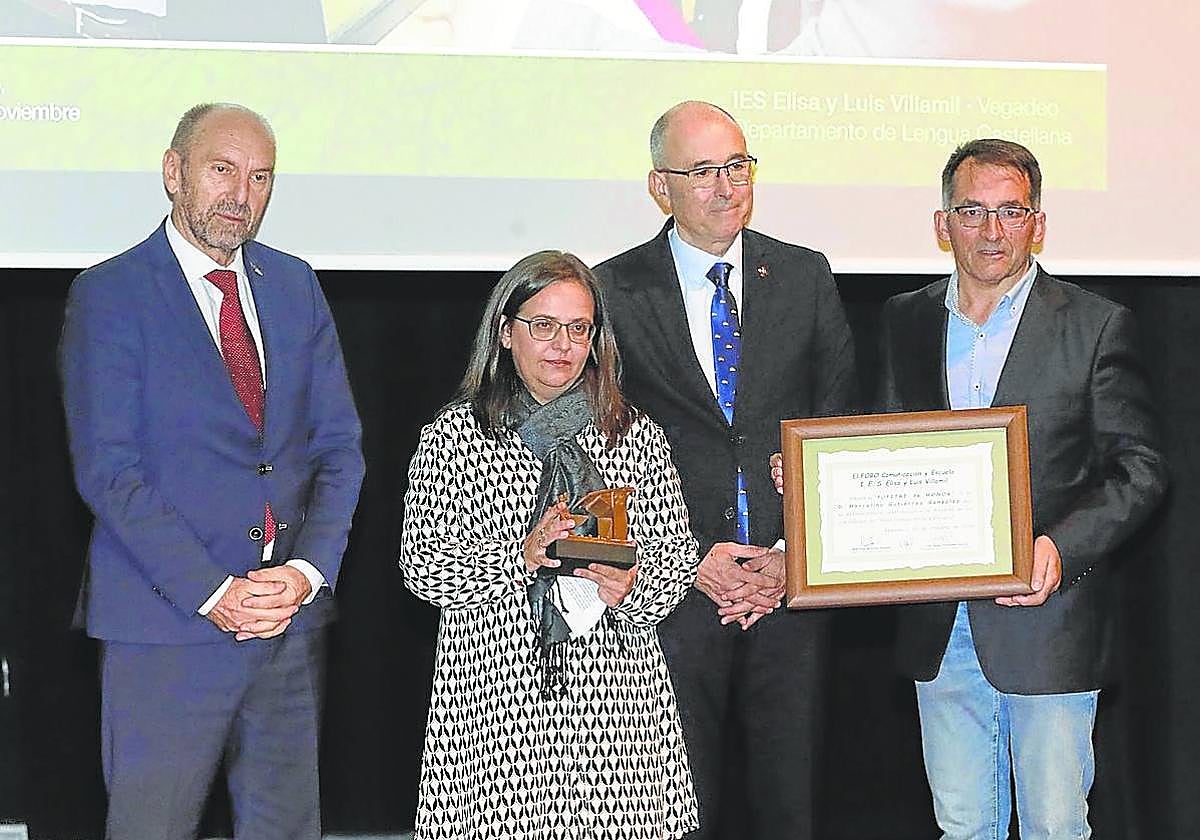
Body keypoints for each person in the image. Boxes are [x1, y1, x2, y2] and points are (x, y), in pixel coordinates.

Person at [773, 138, 1167, 838]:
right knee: (961, 826)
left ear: (1037, 224)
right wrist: (816, 482)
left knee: (1055, 826)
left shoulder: (1097, 324)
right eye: (973, 211)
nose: (991, 231)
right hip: (937, 622)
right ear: (941, 223)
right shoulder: (906, 319)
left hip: (1050, 624)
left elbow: (1140, 468)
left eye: (1011, 212)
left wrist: (1060, 547)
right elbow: (887, 445)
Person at [59, 102, 365, 840]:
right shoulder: (110, 294)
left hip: (286, 625)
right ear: (174, 173)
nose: (241, 194)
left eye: (260, 177)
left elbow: (339, 450)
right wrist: (215, 590)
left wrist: (305, 575)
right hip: (165, 628)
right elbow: (109, 473)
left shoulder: (294, 285)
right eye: (221, 170)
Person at [593, 101, 857, 840]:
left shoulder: (803, 275)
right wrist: (681, 563)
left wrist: (786, 556)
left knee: (790, 806)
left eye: (736, 167)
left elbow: (837, 426)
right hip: (668, 597)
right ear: (658, 185)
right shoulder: (610, 290)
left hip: (788, 591)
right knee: (675, 814)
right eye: (702, 171)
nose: (724, 186)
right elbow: (591, 451)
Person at [400, 251, 700, 839]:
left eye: (578, 328)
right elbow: (423, 567)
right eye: (543, 325)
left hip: (616, 710)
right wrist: (522, 553)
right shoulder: (457, 435)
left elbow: (677, 557)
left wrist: (636, 584)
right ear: (506, 333)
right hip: (494, 705)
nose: (562, 343)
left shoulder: (633, 436)